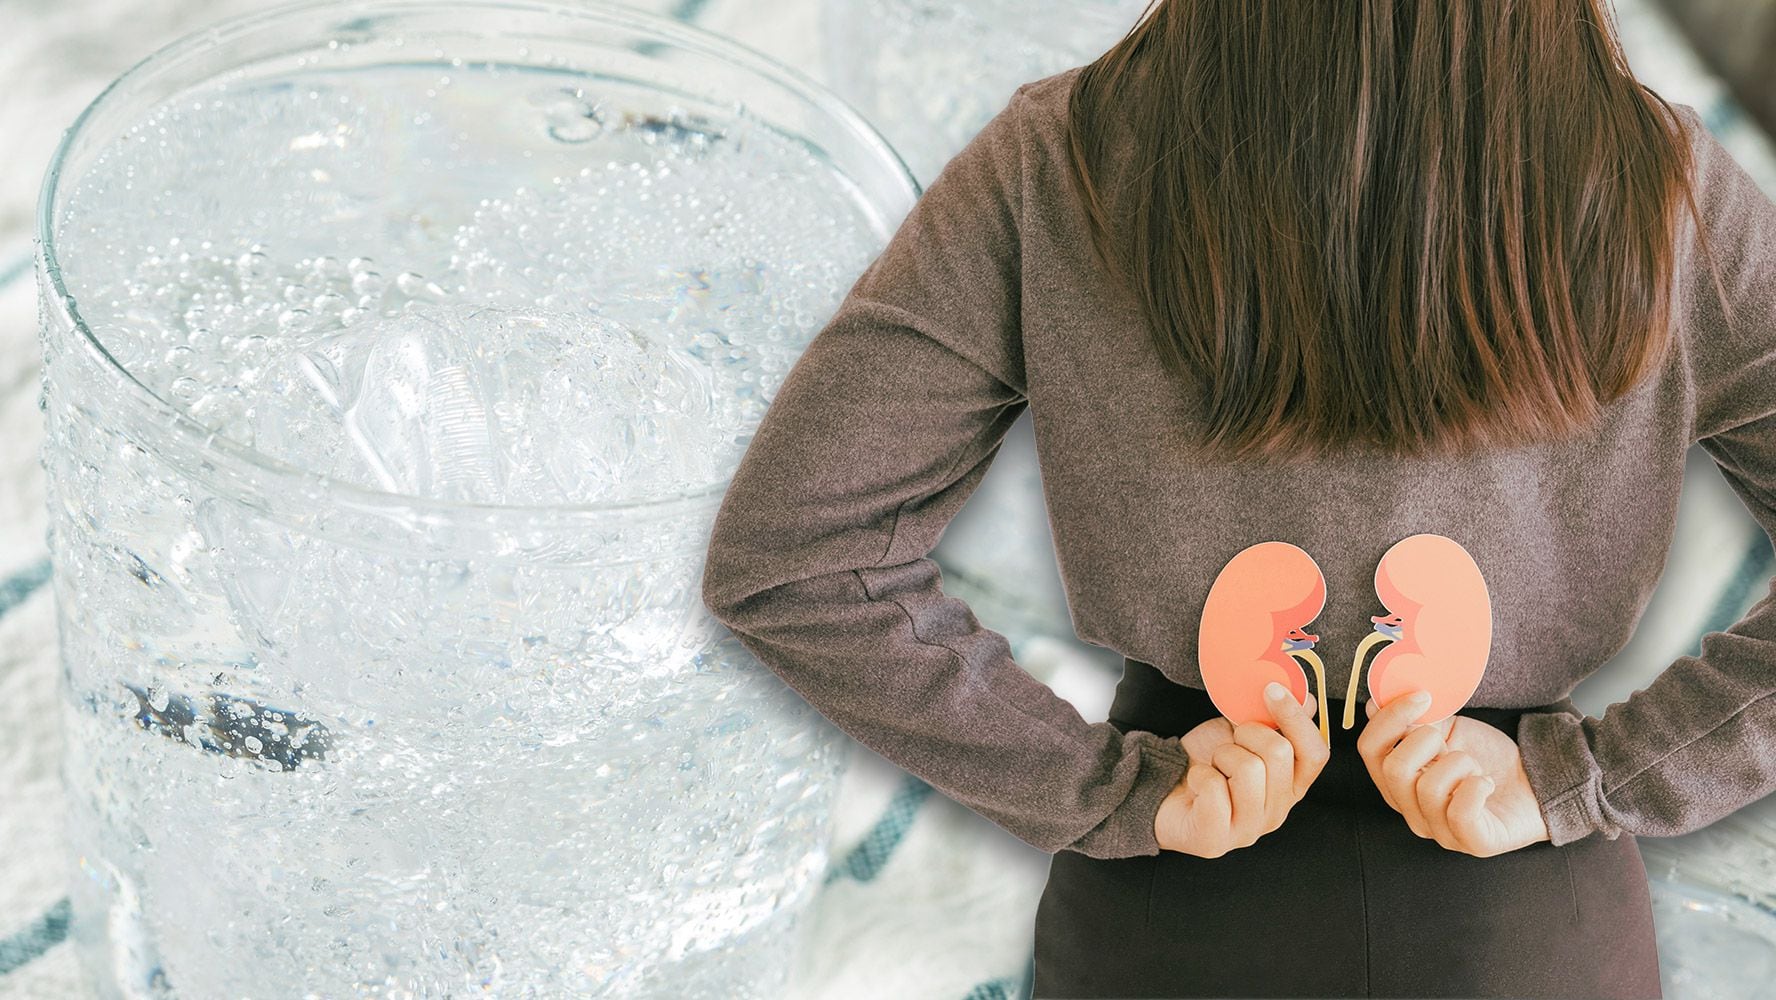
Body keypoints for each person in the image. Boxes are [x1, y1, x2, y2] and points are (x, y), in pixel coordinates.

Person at [699, 1, 1775, 996]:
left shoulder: (1057, 161)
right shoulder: (1667, 187)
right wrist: (1592, 778)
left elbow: (798, 556)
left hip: (1170, 902)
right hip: (1534, 926)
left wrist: (1100, 786)